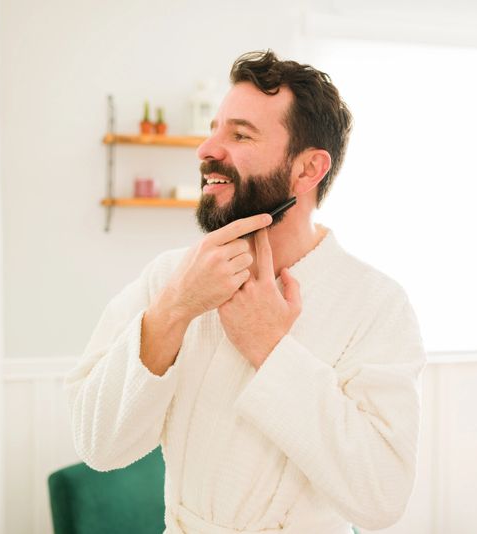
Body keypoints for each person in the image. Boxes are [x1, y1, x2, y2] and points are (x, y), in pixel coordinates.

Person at [65, 50, 427, 534]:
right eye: (214, 129)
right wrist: (175, 308)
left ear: (307, 169)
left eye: (239, 134)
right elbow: (97, 444)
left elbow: (382, 497)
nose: (206, 149)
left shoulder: (376, 304)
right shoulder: (171, 278)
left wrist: (271, 349)